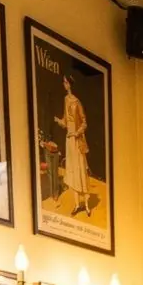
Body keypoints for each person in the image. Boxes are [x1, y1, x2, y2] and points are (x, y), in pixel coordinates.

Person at [55, 74, 90, 217]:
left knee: (80, 169)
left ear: (70, 84)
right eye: (63, 82)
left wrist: (76, 133)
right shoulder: (65, 100)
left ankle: (86, 205)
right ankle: (76, 204)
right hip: (68, 139)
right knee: (72, 171)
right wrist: (58, 120)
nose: (64, 84)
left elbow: (84, 122)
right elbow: (65, 120)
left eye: (65, 82)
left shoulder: (77, 102)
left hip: (76, 140)